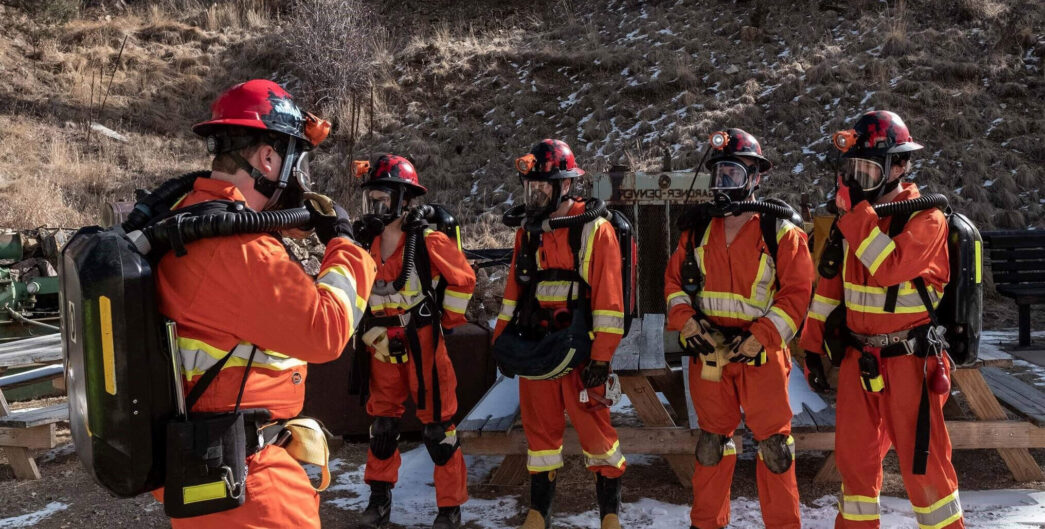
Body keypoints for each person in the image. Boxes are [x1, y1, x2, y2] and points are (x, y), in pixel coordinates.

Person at [154, 79, 377, 528]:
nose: (298, 179)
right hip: (250, 488)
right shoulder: (236, 248)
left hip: (211, 471)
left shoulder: (188, 218)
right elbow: (327, 329)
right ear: (268, 158)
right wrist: (345, 243)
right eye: (296, 163)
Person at [799, 110, 964, 529]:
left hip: (911, 360)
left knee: (925, 473)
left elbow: (888, 267)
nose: (857, 180)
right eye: (851, 170)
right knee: (854, 470)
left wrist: (854, 216)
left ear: (900, 166)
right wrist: (812, 347)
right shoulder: (855, 221)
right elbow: (829, 289)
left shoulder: (926, 219)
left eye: (867, 170)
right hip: (859, 360)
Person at [664, 128, 811, 529]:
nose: (723, 183)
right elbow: (674, 286)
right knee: (712, 445)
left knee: (775, 448)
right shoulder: (695, 231)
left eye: (733, 174)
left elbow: (796, 298)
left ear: (755, 178)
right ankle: (707, 523)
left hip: (760, 357)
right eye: (719, 174)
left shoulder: (780, 232)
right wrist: (687, 322)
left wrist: (759, 337)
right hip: (710, 354)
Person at [493, 139, 627, 529]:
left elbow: (609, 301)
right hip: (537, 346)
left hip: (581, 351)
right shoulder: (528, 233)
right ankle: (540, 512)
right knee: (540, 434)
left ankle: (610, 515)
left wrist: (602, 357)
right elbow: (512, 294)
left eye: (543, 188)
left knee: (596, 431)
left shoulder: (594, 230)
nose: (535, 196)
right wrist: (500, 343)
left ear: (566, 186)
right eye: (531, 188)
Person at [355, 155, 476, 529]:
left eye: (384, 199)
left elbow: (463, 279)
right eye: (371, 199)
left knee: (439, 430)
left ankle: (450, 509)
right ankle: (378, 501)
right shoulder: (362, 242)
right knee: (382, 427)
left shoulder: (427, 241)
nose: (376, 207)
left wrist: (446, 320)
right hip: (379, 345)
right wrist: (364, 330)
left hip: (422, 342)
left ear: (405, 201)